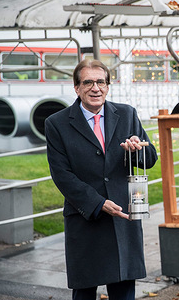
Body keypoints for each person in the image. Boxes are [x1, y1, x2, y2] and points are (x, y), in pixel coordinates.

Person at [45, 59, 158, 300]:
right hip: (86, 217)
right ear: (76, 88)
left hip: (123, 216)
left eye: (100, 82)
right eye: (88, 82)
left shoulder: (127, 114)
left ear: (108, 86)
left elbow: (150, 158)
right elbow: (62, 175)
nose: (95, 88)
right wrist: (98, 203)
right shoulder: (57, 123)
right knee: (84, 291)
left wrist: (137, 149)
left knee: (124, 289)